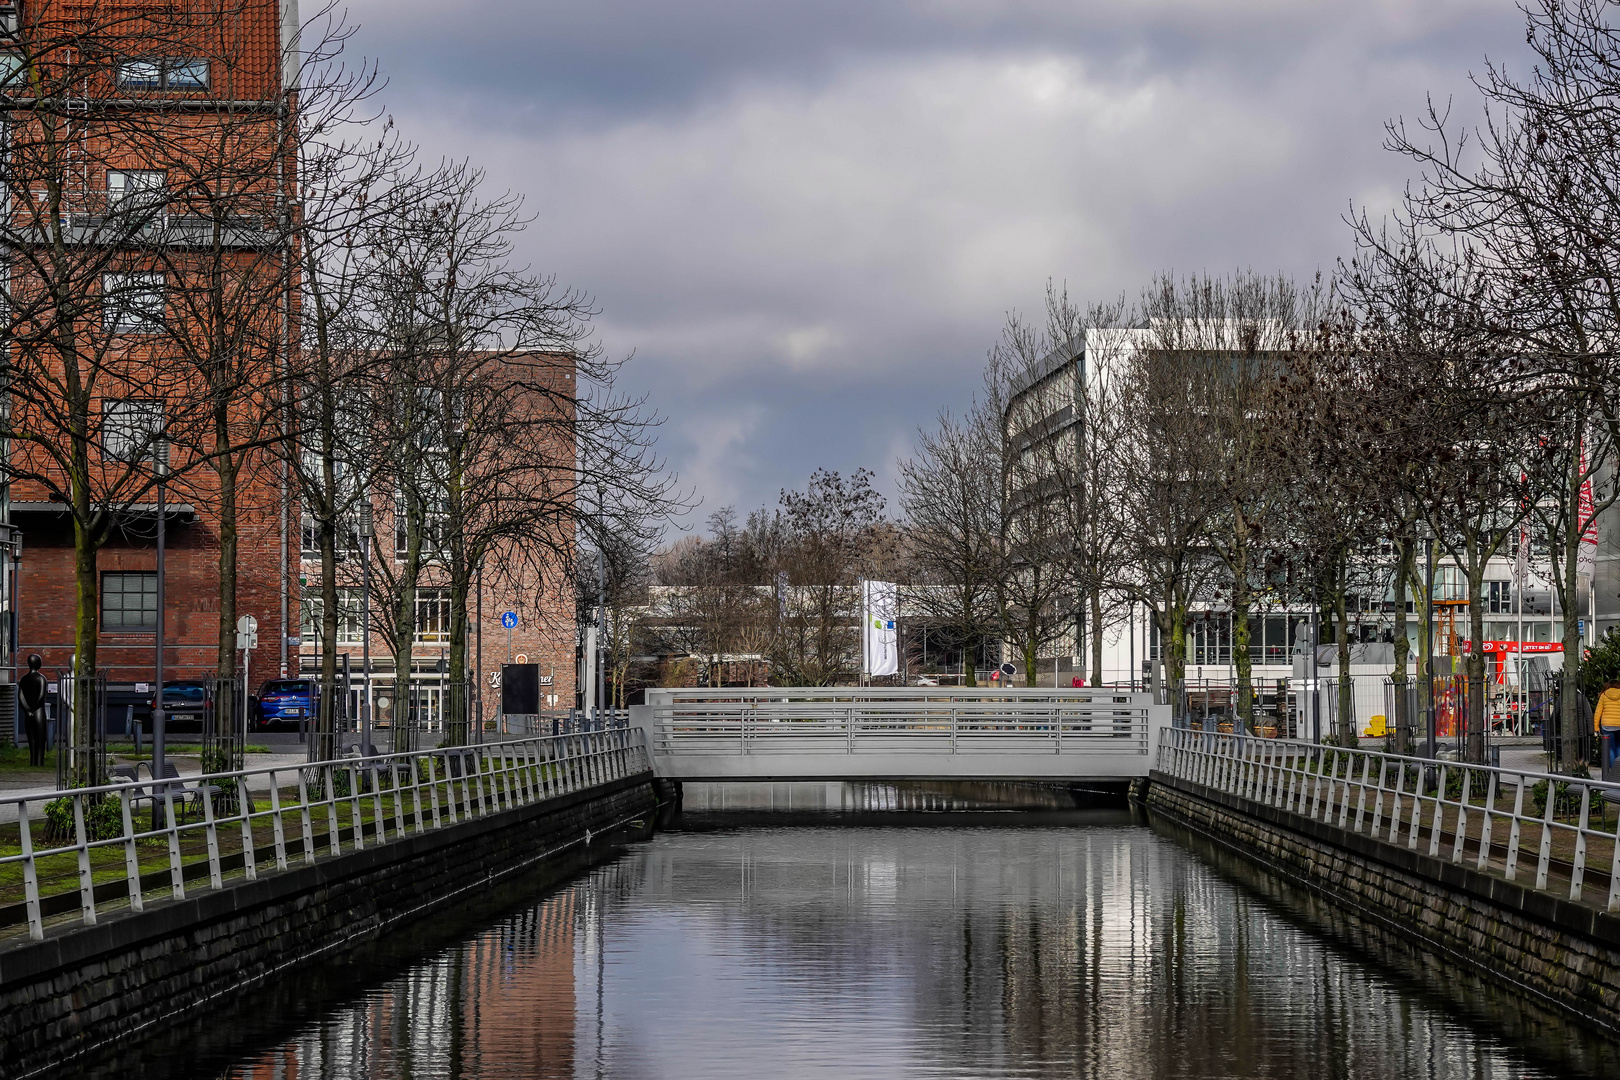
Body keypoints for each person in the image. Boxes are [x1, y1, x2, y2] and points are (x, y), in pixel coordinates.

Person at [17, 654, 48, 767]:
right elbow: (41, 696)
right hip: (38, 712)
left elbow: (20, 696)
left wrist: (28, 710)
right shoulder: (41, 678)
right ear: (38, 663)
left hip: (28, 713)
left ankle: (33, 761)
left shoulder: (24, 679)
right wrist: (34, 709)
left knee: (31, 739)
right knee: (40, 739)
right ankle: (39, 762)